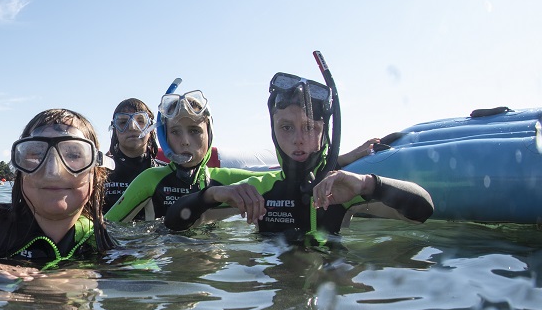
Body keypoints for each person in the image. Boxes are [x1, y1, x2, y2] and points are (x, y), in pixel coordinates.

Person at [165, 72, 434, 244]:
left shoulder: (341, 189)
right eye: (286, 127)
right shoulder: (263, 189)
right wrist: (212, 196)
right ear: (273, 130)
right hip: (272, 289)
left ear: (323, 132)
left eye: (309, 127)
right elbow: (174, 223)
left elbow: (423, 209)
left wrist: (367, 184)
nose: (298, 139)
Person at [0, 108, 114, 268]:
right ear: (19, 171)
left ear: (97, 172)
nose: (54, 171)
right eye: (36, 154)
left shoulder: (101, 242)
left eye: (73, 155)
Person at [105, 90, 254, 223]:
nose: (185, 142)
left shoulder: (223, 179)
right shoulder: (149, 179)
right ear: (165, 137)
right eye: (175, 132)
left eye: (195, 131)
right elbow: (103, 229)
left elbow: (274, 182)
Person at [104, 98, 161, 209]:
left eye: (140, 121)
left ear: (151, 129)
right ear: (115, 130)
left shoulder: (166, 174)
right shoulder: (100, 175)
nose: (132, 127)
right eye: (123, 122)